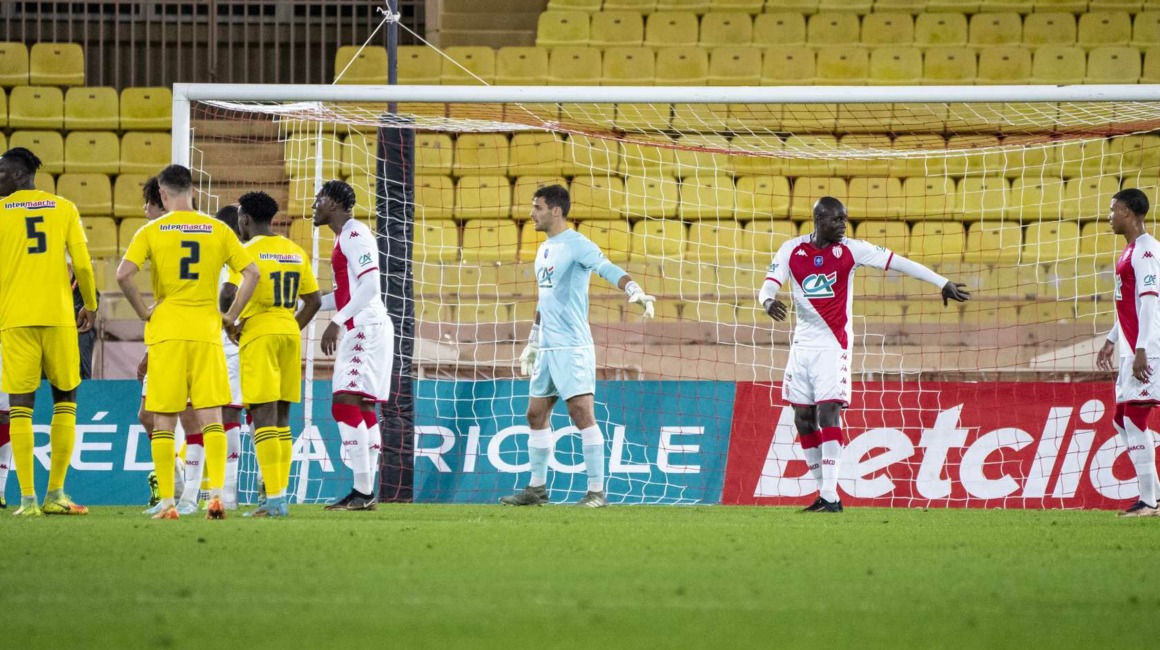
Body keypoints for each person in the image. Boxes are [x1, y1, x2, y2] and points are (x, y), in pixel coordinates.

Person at [760, 196, 970, 513]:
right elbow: (768, 286)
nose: (843, 225)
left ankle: (830, 494)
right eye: (837, 219)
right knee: (802, 419)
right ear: (819, 220)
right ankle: (825, 495)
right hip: (801, 347)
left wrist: (941, 282)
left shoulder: (852, 250)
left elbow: (899, 261)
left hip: (833, 345)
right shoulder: (791, 249)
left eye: (844, 219)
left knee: (828, 412)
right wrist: (767, 302)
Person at [500, 184, 656, 508]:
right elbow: (545, 299)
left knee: (581, 413)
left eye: (538, 207)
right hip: (546, 347)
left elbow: (607, 268)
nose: (532, 213)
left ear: (555, 211)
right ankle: (536, 489)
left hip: (572, 347)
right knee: (535, 414)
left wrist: (634, 290)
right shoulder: (544, 249)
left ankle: (597, 492)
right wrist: (533, 341)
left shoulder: (577, 244)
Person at [117, 164, 258, 520]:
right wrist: (230, 316)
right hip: (206, 332)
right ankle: (216, 497)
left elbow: (123, 275)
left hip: (167, 332)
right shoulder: (218, 229)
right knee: (211, 417)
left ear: (162, 194)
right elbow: (252, 273)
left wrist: (144, 312)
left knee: (164, 419)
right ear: (193, 190)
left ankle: (168, 503)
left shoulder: (151, 230)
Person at [0, 147, 99, 516]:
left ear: (18, 174)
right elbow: (83, 265)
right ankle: (55, 493)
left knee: (20, 406)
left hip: (15, 319)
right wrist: (90, 305)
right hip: (60, 318)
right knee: (66, 399)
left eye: (0, 173)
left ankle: (27, 500)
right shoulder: (64, 208)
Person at [226, 191, 321, 517]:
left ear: (245, 219)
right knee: (282, 419)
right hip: (289, 334)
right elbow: (314, 301)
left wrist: (232, 322)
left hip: (260, 334)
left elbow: (227, 294)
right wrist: (290, 326)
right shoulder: (295, 251)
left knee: (263, 417)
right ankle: (279, 497)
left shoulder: (245, 251)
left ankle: (275, 500)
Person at [312, 180, 393, 512]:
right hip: (366, 325)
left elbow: (371, 286)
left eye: (318, 200)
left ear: (333, 203)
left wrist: (336, 321)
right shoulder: (343, 237)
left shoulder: (354, 234)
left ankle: (363, 490)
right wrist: (308, 304)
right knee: (362, 407)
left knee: (344, 405)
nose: (313, 206)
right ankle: (365, 491)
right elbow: (348, 292)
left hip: (365, 327)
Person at [1095, 188, 1160, 517]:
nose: (1109, 216)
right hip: (1131, 347)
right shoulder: (1130, 250)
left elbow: (1149, 302)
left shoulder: (1146, 252)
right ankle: (1155, 496)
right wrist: (1111, 338)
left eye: (1113, 209)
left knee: (1133, 418)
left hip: (1146, 350)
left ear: (1128, 213)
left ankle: (1148, 502)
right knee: (1121, 420)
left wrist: (1142, 349)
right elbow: (1130, 304)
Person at [214, 204, 247, 511]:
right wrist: (230, 320)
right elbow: (228, 292)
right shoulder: (235, 257)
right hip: (230, 344)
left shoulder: (211, 259)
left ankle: (206, 490)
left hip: (209, 342)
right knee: (231, 414)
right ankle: (229, 492)